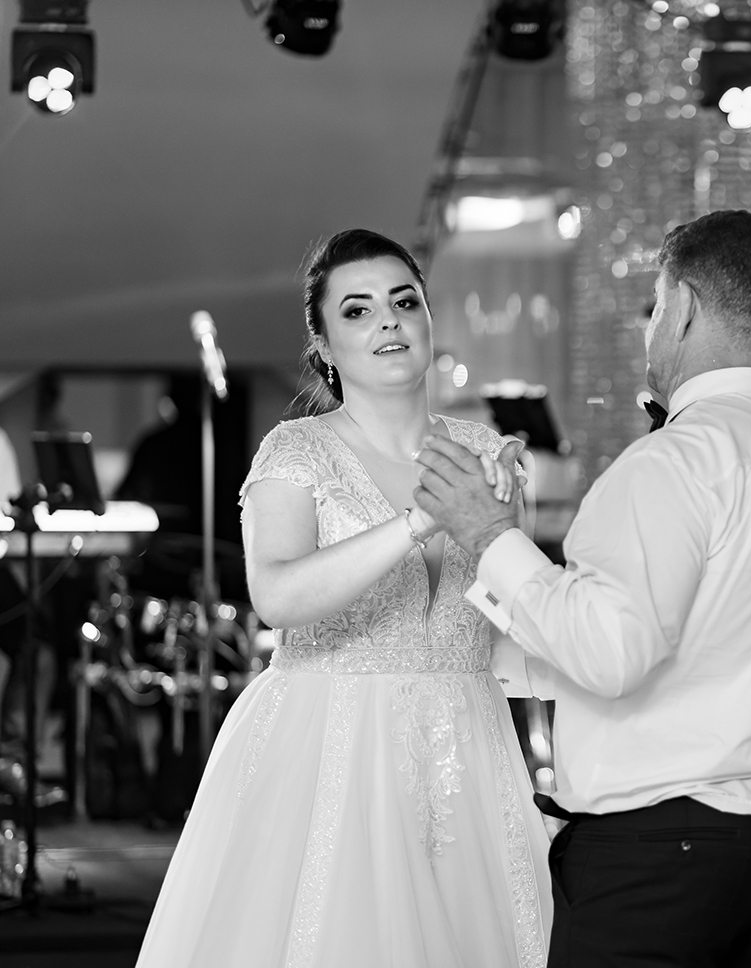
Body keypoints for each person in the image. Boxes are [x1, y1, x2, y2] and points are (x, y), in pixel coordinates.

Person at [415, 209, 751, 968]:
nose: (652, 327)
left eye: (655, 306)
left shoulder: (675, 460)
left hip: (676, 845)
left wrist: (489, 536)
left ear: (681, 306)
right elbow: (705, 645)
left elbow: (610, 653)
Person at [137, 229, 551, 968]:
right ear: (324, 346)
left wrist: (510, 534)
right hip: (330, 741)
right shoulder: (296, 449)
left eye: (405, 302)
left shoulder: (485, 449)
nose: (388, 320)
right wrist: (419, 520)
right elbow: (276, 594)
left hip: (467, 744)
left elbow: (502, 617)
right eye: (357, 310)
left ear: (429, 320)